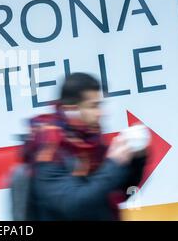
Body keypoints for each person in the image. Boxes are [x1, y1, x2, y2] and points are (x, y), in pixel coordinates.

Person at [25, 73, 146, 221]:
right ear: (72, 110)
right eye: (93, 106)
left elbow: (121, 193)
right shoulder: (48, 149)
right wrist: (114, 164)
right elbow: (74, 205)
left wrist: (136, 160)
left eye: (99, 105)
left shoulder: (92, 141)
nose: (100, 113)